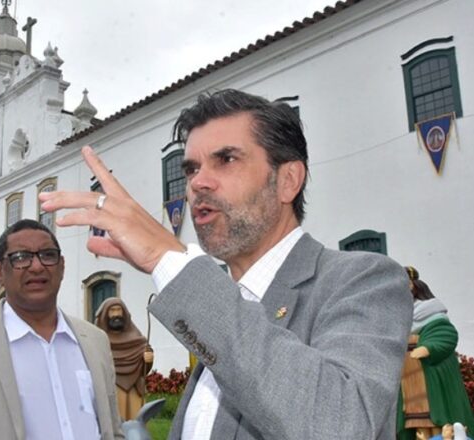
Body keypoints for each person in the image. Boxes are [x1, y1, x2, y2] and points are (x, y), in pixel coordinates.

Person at [39, 89, 413, 439]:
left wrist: (169, 261)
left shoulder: (363, 281)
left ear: (288, 181)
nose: (198, 182)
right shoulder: (222, 306)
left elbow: (340, 424)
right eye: (190, 169)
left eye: (226, 159)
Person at [0, 219, 124, 439]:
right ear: (0, 272)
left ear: (62, 267)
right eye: (21, 258)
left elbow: (112, 430)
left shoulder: (95, 340)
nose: (37, 266)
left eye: (48, 255)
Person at [397, 267, 474, 440]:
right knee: (412, 420)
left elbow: (446, 335)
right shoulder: (397, 316)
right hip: (407, 381)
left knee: (436, 419)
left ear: (413, 286)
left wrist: (428, 348)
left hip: (430, 377)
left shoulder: (430, 312)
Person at [94, 297, 154, 421]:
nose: (116, 314)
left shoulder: (136, 338)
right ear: (105, 314)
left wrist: (148, 359)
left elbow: (143, 368)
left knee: (136, 422)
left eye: (119, 310)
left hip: (134, 389)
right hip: (111, 388)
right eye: (112, 310)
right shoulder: (98, 339)